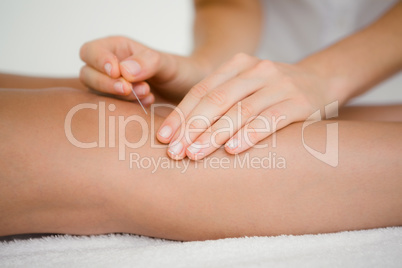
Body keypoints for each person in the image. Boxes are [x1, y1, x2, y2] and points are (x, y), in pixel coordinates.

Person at [0, 0, 401, 241]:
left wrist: (325, 75)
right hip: (269, 72)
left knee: (90, 136)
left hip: (350, 77)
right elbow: (229, 3)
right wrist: (205, 68)